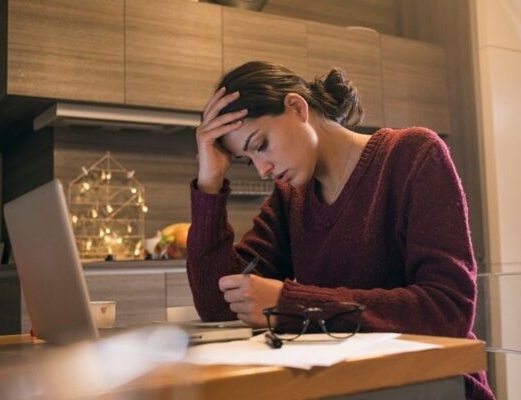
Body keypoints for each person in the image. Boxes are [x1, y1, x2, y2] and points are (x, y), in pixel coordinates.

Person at [186, 61, 495, 400]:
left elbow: (448, 311)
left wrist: (291, 304)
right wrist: (209, 182)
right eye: (248, 159)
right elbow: (219, 305)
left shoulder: (414, 155)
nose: (262, 170)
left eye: (260, 145)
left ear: (296, 107)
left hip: (433, 385)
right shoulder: (290, 200)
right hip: (347, 388)